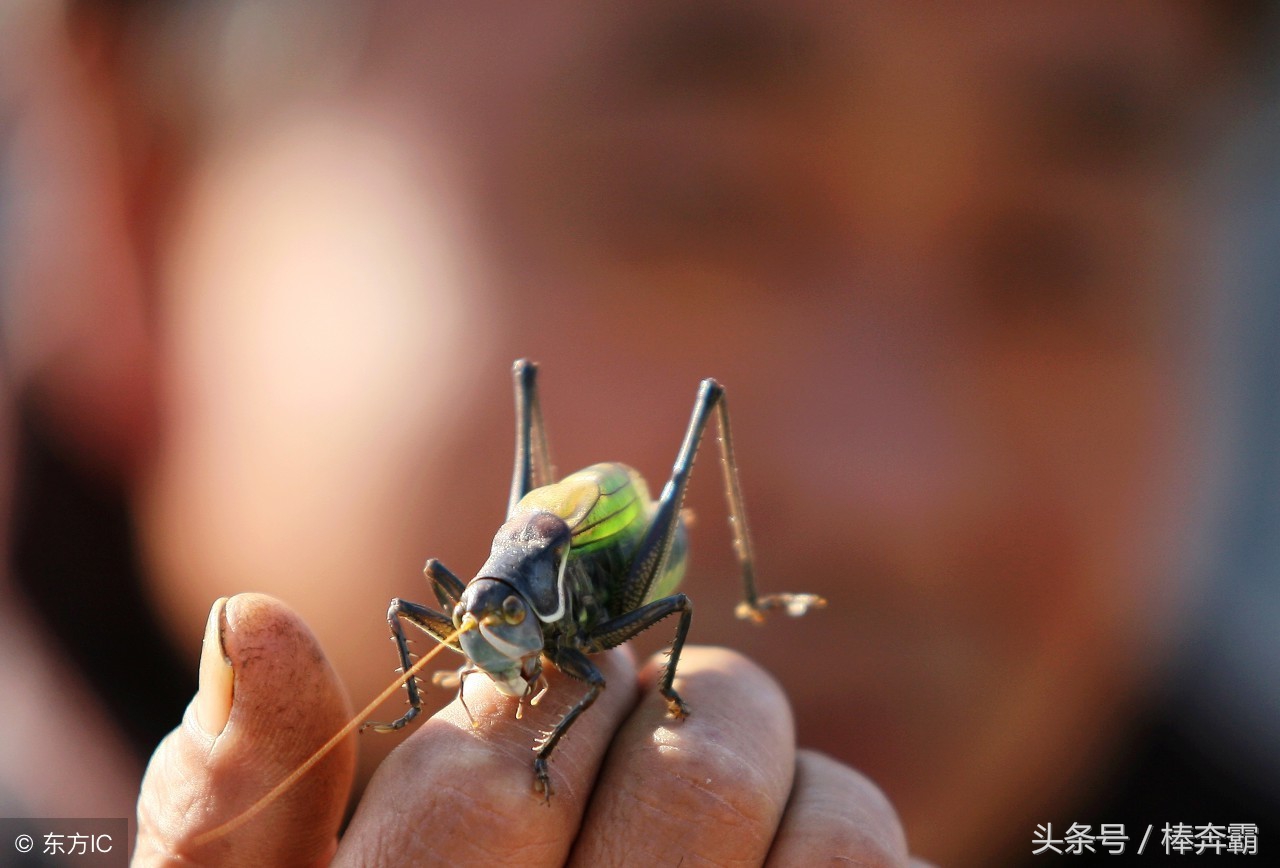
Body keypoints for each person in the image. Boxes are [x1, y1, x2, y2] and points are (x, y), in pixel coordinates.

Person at [2, 1, 1275, 864]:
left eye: (1058, 253)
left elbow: (641, 641)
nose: (902, 492)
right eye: (695, 195)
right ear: (141, 197)